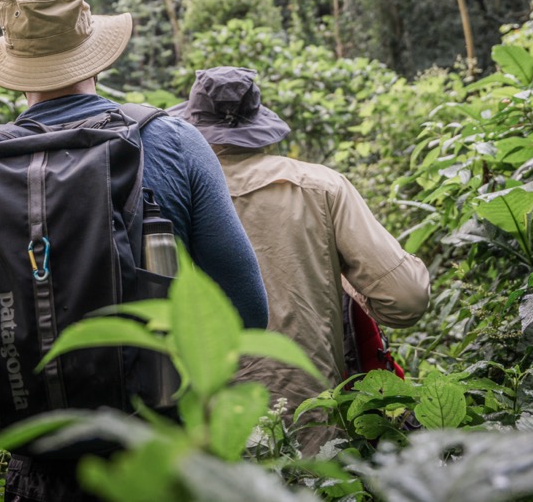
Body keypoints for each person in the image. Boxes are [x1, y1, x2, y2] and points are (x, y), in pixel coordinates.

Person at [0, 0, 268, 502]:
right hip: (164, 456)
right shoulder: (173, 143)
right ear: (93, 47)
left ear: (11, 59)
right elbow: (248, 312)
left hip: (39, 463)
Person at [170, 66, 430, 453]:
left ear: (193, 126)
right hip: (313, 433)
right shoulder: (321, 187)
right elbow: (406, 299)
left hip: (201, 436)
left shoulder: (165, 192)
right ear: (259, 126)